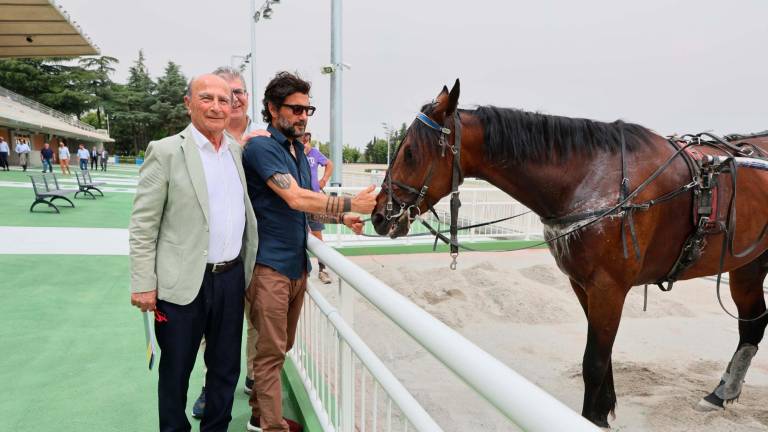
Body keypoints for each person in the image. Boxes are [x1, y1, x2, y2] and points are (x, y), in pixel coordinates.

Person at [242, 71, 376, 432]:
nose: (303, 116)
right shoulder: (260, 148)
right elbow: (294, 196)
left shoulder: (297, 152)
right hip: (268, 267)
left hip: (296, 265)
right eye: (295, 109)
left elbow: (305, 205)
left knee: (278, 350)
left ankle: (260, 416)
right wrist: (350, 202)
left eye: (307, 109)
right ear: (272, 109)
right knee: (270, 356)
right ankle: (271, 427)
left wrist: (343, 217)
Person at [129, 74, 258, 432]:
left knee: (225, 368)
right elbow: (143, 224)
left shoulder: (234, 150)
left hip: (230, 278)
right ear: (189, 103)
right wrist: (143, 283)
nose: (217, 106)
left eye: (224, 99)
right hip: (183, 282)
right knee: (176, 370)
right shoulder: (167, 151)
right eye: (207, 98)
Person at [190, 66, 269, 420]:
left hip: (255, 253)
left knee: (256, 323)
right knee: (213, 330)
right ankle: (211, 385)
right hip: (211, 257)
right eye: (225, 94)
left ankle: (252, 378)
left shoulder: (263, 139)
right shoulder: (204, 140)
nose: (232, 99)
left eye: (238, 92)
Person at [302, 132, 335, 284]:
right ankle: (303, 271)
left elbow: (329, 164)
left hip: (314, 201)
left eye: (306, 141)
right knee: (297, 236)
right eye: (302, 140)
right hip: (298, 201)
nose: (305, 144)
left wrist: (323, 180)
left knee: (317, 236)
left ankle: (322, 269)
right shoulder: (292, 153)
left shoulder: (315, 153)